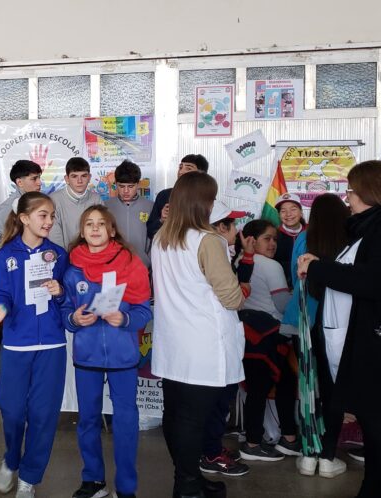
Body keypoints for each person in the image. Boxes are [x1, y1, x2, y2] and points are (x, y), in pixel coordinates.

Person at [297, 160, 381, 498]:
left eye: (352, 190)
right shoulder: (372, 229)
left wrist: (320, 268)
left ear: (373, 192)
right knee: (376, 435)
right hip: (374, 348)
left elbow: (378, 281)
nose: (348, 197)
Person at [151, 171, 244, 497]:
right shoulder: (207, 240)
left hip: (174, 344)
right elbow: (231, 297)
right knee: (193, 421)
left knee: (176, 416)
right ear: (203, 202)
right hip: (204, 345)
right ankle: (187, 486)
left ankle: (188, 479)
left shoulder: (162, 238)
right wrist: (241, 291)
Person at [0, 191, 68, 498]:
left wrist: (60, 292)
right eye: (43, 215)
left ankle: (29, 478)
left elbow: (67, 299)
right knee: (12, 411)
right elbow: (2, 293)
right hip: (17, 345)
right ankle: (11, 459)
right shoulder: (6, 255)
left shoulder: (58, 254)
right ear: (25, 218)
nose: (49, 221)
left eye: (52, 216)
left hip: (52, 346)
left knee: (44, 416)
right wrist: (1, 309)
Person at [61, 205, 151, 498]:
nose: (95, 228)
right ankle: (93, 480)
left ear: (112, 230)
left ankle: (125, 487)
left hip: (123, 356)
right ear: (82, 231)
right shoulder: (72, 269)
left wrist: (125, 319)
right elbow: (64, 311)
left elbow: (143, 310)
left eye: (102, 223)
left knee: (125, 421)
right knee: (88, 419)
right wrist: (74, 319)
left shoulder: (131, 264)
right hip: (86, 356)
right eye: (89, 224)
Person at [280, 193, 351, 477]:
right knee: (333, 389)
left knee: (308, 385)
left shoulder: (303, 239)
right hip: (338, 322)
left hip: (303, 320)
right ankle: (328, 455)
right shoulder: (349, 242)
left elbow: (295, 276)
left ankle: (309, 454)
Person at [233, 220, 301, 462]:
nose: (273, 243)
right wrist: (298, 297)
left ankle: (287, 438)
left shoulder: (238, 262)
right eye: (267, 238)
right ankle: (254, 443)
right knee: (270, 387)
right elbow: (282, 305)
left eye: (275, 239)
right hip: (271, 336)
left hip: (246, 334)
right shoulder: (271, 266)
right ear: (251, 240)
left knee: (268, 387)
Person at [199, 201, 253, 479]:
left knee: (219, 400)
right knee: (217, 402)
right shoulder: (213, 249)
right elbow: (232, 297)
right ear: (221, 227)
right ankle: (210, 454)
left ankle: (211, 448)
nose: (237, 230)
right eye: (233, 224)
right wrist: (242, 291)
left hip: (223, 336)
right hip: (217, 338)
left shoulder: (221, 250)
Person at [0, 159, 43, 262]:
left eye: (39, 177)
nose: (39, 182)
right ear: (19, 182)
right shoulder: (9, 207)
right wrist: (10, 257)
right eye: (34, 179)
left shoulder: (36, 202)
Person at [146, 154, 208, 242]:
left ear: (201, 174)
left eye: (188, 168)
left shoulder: (207, 199)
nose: (181, 172)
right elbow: (150, 232)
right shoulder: (164, 195)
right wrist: (161, 220)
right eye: (180, 167)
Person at [105, 160, 154, 268]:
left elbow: (154, 239)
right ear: (116, 184)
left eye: (130, 186)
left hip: (142, 266)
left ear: (138, 184)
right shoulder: (106, 207)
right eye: (121, 186)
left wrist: (148, 261)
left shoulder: (150, 206)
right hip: (113, 266)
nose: (126, 191)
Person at [48, 157, 101, 250]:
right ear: (67, 179)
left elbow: (102, 232)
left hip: (92, 255)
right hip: (64, 255)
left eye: (84, 176)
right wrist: (64, 257)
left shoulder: (97, 199)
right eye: (74, 176)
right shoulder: (53, 200)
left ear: (89, 177)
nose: (79, 181)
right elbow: (54, 238)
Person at [272, 194, 307, 286]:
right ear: (279, 215)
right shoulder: (274, 236)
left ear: (301, 212)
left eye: (293, 209)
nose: (288, 214)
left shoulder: (311, 234)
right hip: (282, 285)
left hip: (308, 286)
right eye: (283, 211)